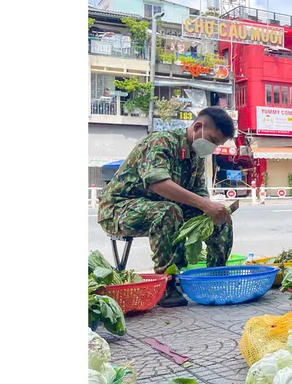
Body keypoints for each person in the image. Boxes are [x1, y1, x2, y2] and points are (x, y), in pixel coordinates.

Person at [98, 107, 236, 307]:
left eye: (217, 144)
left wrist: (210, 208)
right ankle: (167, 282)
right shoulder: (161, 141)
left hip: (161, 208)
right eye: (213, 141)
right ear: (198, 127)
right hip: (119, 209)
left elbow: (199, 193)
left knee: (219, 217)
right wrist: (205, 204)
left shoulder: (196, 155)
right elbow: (158, 183)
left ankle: (214, 277)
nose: (213, 148)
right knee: (168, 212)